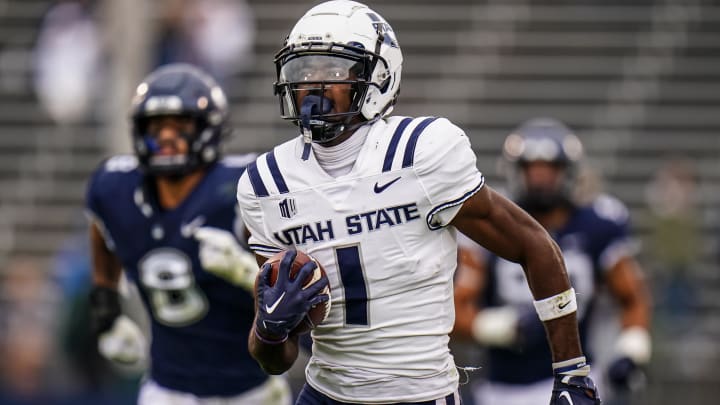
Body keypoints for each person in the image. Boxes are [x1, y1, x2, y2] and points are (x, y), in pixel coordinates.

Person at [236, 2, 601, 404]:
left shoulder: (421, 153)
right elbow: (275, 359)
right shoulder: (266, 182)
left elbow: (534, 245)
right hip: (324, 394)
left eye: (332, 70)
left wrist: (571, 371)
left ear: (377, 76)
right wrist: (270, 330)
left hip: (421, 394)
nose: (312, 85)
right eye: (303, 71)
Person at [85, 63, 292, 404]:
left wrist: (247, 274)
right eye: (156, 126)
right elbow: (101, 225)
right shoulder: (114, 188)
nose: (166, 137)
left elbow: (294, 284)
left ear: (207, 129)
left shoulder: (244, 187)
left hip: (251, 390)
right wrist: (105, 305)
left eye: (179, 125)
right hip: (167, 389)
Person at [452, 118, 652, 405]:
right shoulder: (492, 226)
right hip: (501, 388)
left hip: (577, 377)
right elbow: (455, 310)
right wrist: (500, 326)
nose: (540, 179)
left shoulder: (599, 223)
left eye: (549, 170)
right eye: (532, 169)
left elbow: (633, 297)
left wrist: (632, 350)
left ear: (568, 172)